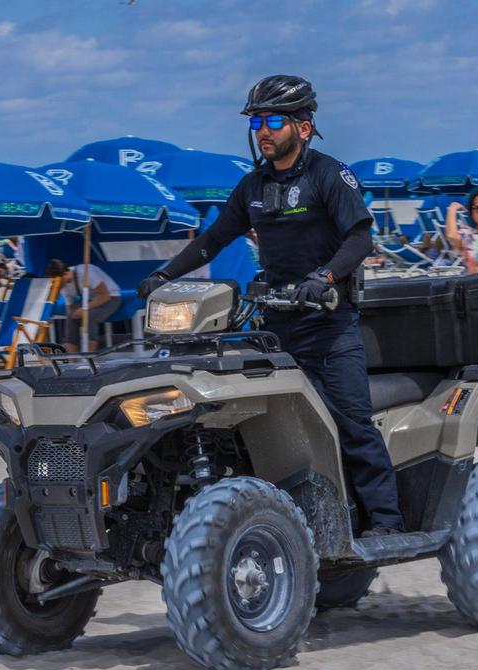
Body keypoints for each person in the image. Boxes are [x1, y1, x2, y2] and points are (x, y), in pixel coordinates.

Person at [136, 74, 404, 535]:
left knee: (352, 421)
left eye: (274, 120)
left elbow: (360, 239)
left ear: (303, 126)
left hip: (329, 325)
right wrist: (163, 276)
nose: (263, 130)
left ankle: (386, 521)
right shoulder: (252, 186)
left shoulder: (328, 175)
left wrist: (323, 277)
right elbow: (214, 240)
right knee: (270, 424)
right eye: (257, 120)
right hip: (276, 327)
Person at [46, 258, 123, 352]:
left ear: (65, 274)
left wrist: (84, 309)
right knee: (72, 316)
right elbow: (69, 307)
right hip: (90, 299)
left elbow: (104, 295)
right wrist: (73, 317)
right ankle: (72, 352)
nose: (56, 284)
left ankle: (89, 355)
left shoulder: (85, 273)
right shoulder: (63, 284)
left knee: (89, 316)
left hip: (111, 297)